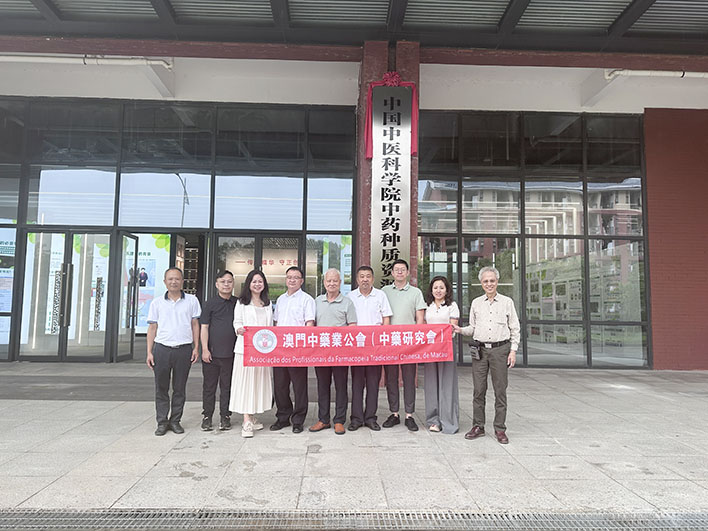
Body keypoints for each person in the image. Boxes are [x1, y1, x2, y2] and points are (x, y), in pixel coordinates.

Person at [453, 266, 520, 444]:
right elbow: (473, 328)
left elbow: (515, 328)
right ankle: (478, 426)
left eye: (492, 280)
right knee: (479, 390)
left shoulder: (507, 302)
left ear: (497, 282)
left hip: (500, 350)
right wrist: (460, 330)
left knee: (500, 390)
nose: (489, 284)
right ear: (481, 283)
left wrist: (513, 351)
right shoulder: (476, 303)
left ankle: (500, 428)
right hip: (480, 351)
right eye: (485, 281)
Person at [146, 267, 201, 436]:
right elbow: (152, 328)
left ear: (182, 281)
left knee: (179, 388)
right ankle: (162, 422)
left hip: (183, 349)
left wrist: (196, 347)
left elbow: (195, 325)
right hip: (162, 349)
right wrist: (149, 352)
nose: (174, 282)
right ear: (165, 282)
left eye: (177, 279)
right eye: (170, 279)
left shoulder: (192, 301)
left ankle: (175, 421)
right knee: (161, 388)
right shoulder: (157, 303)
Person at [381, 259, 427, 431]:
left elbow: (420, 319)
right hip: (390, 342)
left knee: (409, 379)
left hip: (409, 342)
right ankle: (394, 413)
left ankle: (409, 415)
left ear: (408, 272)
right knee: (391, 379)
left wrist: (417, 341)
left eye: (403, 269)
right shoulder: (384, 291)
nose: (399, 272)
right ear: (392, 273)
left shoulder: (416, 292)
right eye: (396, 269)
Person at [310, 269, 357, 435]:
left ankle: (339, 420)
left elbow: (352, 326)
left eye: (335, 281)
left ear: (340, 283)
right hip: (321, 353)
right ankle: (323, 419)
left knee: (341, 386)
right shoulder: (317, 301)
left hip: (340, 353)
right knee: (322, 386)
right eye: (329, 281)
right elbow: (312, 325)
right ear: (324, 283)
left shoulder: (347, 303)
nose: (332, 284)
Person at [271, 266, 316, 433]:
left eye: (296, 278)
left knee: (299, 386)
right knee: (280, 385)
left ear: (301, 281)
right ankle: (283, 417)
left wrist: (304, 348)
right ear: (286, 280)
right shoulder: (281, 299)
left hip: (298, 350)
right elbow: (276, 323)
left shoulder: (307, 300)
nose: (292, 280)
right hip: (281, 350)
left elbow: (309, 324)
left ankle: (298, 420)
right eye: (289, 277)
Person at [347, 265, 392, 431]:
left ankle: (371, 418)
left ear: (372, 279)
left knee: (373, 384)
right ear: (357, 279)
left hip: (375, 347)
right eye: (362, 276)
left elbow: (386, 318)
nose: (365, 279)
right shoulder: (350, 296)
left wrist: (382, 341)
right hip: (357, 347)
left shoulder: (380, 295)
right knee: (357, 384)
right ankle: (356, 418)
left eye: (368, 276)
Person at [231, 269, 274, 438]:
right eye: (254, 281)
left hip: (263, 351)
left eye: (260, 281)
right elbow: (237, 322)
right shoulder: (242, 302)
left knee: (257, 384)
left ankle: (252, 416)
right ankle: (246, 420)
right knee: (246, 383)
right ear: (248, 284)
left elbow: (270, 327)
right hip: (245, 350)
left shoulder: (267, 303)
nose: (257, 284)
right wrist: (239, 329)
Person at [199, 270, 237, 432]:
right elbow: (204, 327)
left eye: (229, 281)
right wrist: (205, 349)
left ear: (233, 284)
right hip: (212, 354)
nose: (226, 284)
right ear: (216, 284)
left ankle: (225, 416)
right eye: (223, 282)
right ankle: (207, 416)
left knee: (227, 386)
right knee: (209, 387)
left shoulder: (238, 303)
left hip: (232, 353)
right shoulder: (209, 304)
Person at [423, 275, 460, 434]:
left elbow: (451, 327)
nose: (438, 290)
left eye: (441, 288)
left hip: (446, 348)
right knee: (431, 384)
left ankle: (448, 420)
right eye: (435, 287)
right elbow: (423, 326)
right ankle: (433, 420)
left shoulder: (452, 306)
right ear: (431, 290)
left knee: (447, 384)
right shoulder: (427, 306)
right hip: (430, 348)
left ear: (447, 290)